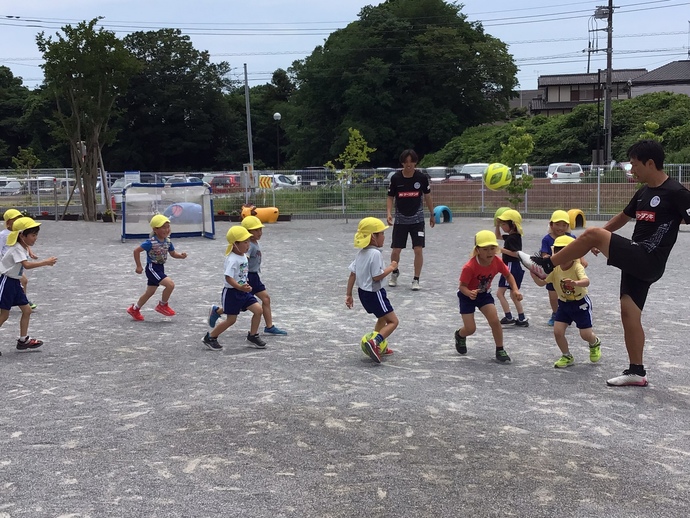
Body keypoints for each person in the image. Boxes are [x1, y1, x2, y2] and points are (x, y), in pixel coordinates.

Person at [520, 140, 690, 386]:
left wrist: (594, 240)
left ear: (650, 163)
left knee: (592, 233)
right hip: (636, 259)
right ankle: (636, 372)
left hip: (649, 258)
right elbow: (622, 218)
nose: (631, 171)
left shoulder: (677, 192)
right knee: (628, 313)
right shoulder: (643, 192)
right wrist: (598, 240)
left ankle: (545, 266)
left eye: (634, 165)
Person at [527, 235, 601, 368]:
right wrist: (534, 276)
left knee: (585, 334)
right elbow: (542, 282)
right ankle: (567, 355)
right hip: (564, 304)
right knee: (558, 332)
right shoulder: (555, 269)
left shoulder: (577, 267)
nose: (563, 256)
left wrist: (575, 283)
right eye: (558, 252)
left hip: (580, 303)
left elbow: (586, 281)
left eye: (566, 252)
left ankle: (594, 342)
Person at [455, 230, 522, 363]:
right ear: (477, 250)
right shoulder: (470, 267)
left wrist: (515, 289)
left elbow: (508, 275)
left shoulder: (497, 261)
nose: (490, 252)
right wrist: (469, 293)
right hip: (467, 296)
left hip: (484, 295)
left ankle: (500, 349)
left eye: (493, 248)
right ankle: (460, 335)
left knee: (495, 321)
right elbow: (462, 286)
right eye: (485, 249)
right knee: (470, 328)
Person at [0, 217, 57, 354]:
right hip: (7, 282)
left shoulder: (22, 245)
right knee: (4, 315)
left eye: (36, 235)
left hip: (15, 281)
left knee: (27, 310)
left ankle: (23, 340)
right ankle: (23, 339)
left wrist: (30, 251)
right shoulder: (16, 249)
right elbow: (26, 265)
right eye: (33, 235)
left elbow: (25, 254)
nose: (35, 238)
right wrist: (45, 262)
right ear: (22, 235)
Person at [205, 226, 267, 351]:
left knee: (258, 310)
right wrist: (239, 286)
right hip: (232, 293)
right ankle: (210, 337)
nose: (248, 245)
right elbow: (228, 278)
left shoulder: (243, 256)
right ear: (235, 244)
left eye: (248, 241)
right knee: (231, 320)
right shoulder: (232, 259)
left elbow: (242, 273)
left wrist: (245, 283)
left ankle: (253, 335)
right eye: (244, 242)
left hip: (243, 291)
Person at [346, 217, 399, 364]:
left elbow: (352, 274)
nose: (384, 236)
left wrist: (349, 294)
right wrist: (391, 267)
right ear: (373, 237)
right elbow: (377, 277)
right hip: (375, 293)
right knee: (393, 322)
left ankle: (379, 346)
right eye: (381, 233)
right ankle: (375, 342)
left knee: (382, 319)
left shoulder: (361, 253)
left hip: (363, 293)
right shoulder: (375, 253)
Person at [386, 149, 435, 291]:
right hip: (401, 219)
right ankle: (394, 272)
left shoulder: (421, 178)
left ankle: (416, 279)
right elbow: (390, 197)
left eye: (411, 161)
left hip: (417, 219)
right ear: (402, 163)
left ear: (415, 162)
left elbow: (428, 196)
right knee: (396, 250)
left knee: (418, 249)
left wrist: (432, 214)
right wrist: (389, 213)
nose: (409, 164)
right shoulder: (396, 178)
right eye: (406, 162)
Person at [127, 214, 187, 321]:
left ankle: (135, 309)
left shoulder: (167, 241)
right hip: (152, 268)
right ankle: (162, 305)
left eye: (168, 227)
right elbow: (136, 251)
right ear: (155, 229)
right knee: (170, 285)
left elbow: (173, 253)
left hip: (160, 268)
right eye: (163, 227)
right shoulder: (150, 242)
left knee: (150, 292)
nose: (167, 229)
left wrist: (181, 256)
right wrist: (139, 266)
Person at [235, 215, 287, 335]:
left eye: (260, 230)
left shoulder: (254, 242)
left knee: (266, 299)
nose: (260, 232)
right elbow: (243, 260)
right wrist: (242, 279)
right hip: (248, 277)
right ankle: (217, 311)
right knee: (238, 305)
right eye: (256, 230)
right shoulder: (249, 245)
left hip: (254, 277)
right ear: (247, 232)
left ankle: (269, 326)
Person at [539, 210, 583, 327]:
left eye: (564, 225)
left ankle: (571, 313)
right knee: (553, 295)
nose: (560, 228)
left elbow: (579, 249)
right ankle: (555, 313)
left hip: (568, 271)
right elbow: (544, 254)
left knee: (569, 293)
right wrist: (548, 258)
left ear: (568, 226)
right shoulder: (547, 239)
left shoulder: (571, 237)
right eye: (557, 224)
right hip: (553, 272)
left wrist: (582, 260)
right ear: (551, 224)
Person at [494, 209, 528, 327]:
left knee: (500, 293)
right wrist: (497, 225)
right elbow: (497, 236)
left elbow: (516, 254)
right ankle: (522, 318)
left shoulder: (514, 238)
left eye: (504, 224)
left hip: (510, 266)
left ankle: (509, 316)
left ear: (512, 224)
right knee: (513, 294)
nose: (503, 226)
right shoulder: (511, 236)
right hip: (514, 267)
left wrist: (501, 250)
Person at [0, 209, 37, 310]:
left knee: (23, 281)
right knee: (21, 280)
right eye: (15, 219)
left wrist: (30, 251)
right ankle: (22, 301)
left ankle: (22, 300)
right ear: (8, 223)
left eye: (19, 218)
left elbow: (24, 244)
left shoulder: (19, 233)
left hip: (16, 262)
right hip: (8, 265)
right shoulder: (3, 235)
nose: (18, 221)